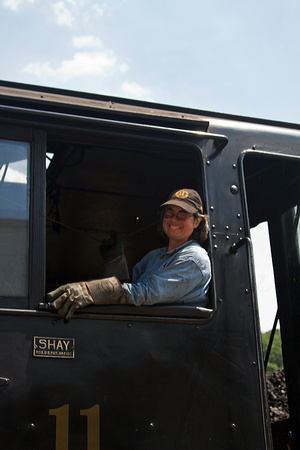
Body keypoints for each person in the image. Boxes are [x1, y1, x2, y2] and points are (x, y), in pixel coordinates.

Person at [46, 189, 211, 320]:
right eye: (169, 213)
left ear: (197, 221)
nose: (174, 219)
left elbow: (146, 293)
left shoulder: (194, 258)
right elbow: (130, 292)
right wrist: (114, 260)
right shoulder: (153, 257)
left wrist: (89, 292)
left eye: (182, 215)